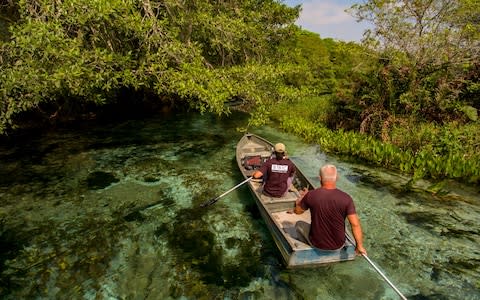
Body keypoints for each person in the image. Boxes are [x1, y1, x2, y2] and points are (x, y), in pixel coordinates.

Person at [292, 164, 367, 255]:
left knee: (299, 224)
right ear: (337, 178)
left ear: (319, 178)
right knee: (344, 226)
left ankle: (306, 246)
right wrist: (360, 246)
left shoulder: (311, 195)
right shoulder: (346, 198)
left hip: (317, 244)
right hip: (338, 245)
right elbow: (355, 225)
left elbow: (298, 212)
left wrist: (300, 201)